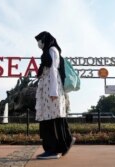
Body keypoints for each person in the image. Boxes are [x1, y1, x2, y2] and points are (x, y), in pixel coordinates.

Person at [35, 31, 75, 159]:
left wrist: (54, 91)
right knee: (53, 117)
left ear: (45, 39)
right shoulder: (48, 51)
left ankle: (53, 149)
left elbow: (53, 69)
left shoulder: (52, 50)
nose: (38, 43)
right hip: (47, 86)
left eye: (39, 40)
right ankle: (65, 141)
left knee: (51, 118)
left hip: (51, 86)